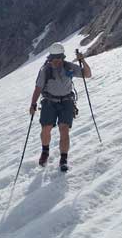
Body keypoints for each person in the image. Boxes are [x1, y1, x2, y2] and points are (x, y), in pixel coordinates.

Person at [29, 42, 92, 171]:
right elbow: (38, 88)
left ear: (62, 57)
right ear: (50, 58)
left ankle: (63, 159)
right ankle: (45, 151)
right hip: (49, 102)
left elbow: (87, 74)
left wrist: (83, 61)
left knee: (64, 129)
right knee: (46, 128)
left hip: (66, 102)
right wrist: (33, 104)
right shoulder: (45, 70)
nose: (57, 61)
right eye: (54, 58)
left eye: (59, 58)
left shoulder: (69, 67)